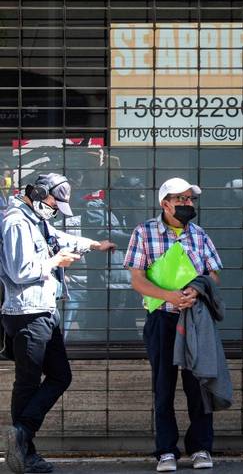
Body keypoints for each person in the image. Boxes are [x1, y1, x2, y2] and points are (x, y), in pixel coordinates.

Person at [1, 173, 115, 474]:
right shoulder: (16, 222)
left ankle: (22, 440)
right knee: (29, 382)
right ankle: (23, 443)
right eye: (54, 202)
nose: (55, 209)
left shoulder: (34, 219)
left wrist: (93, 244)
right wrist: (56, 262)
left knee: (57, 376)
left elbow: (58, 238)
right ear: (37, 193)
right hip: (27, 312)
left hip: (42, 310)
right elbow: (19, 271)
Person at [124, 178, 222, 472]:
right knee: (163, 385)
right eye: (181, 199)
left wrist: (196, 290)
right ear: (165, 203)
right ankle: (166, 450)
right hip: (162, 318)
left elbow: (213, 274)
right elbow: (137, 279)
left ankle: (201, 447)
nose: (188, 204)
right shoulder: (144, 232)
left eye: (191, 199)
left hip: (194, 319)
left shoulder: (200, 235)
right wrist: (167, 295)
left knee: (198, 384)